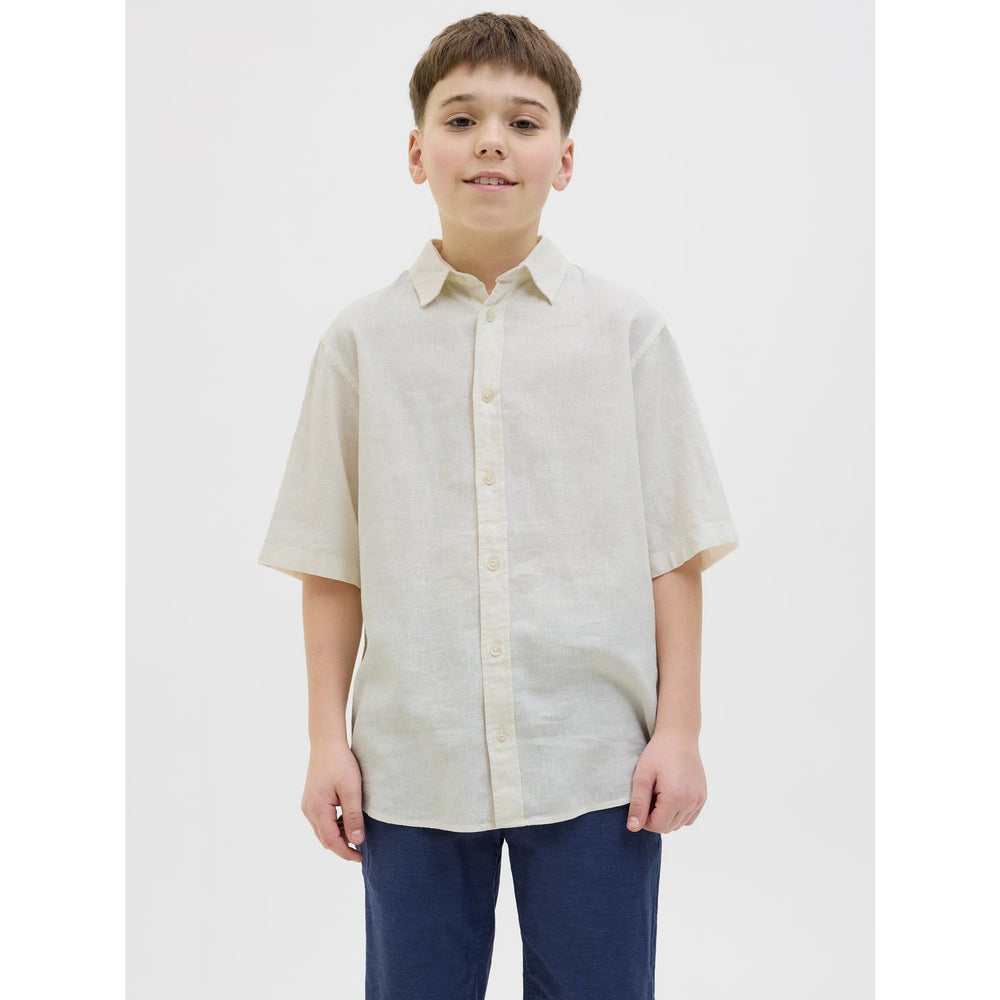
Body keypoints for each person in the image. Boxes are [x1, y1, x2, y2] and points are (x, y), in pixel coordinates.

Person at [257, 12, 739, 999]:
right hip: (411, 762)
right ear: (415, 152)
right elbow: (331, 563)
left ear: (565, 158)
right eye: (460, 119)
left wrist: (679, 731)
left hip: (596, 763)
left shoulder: (625, 333)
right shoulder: (360, 343)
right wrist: (325, 741)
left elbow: (674, 552)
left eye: (523, 122)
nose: (490, 142)